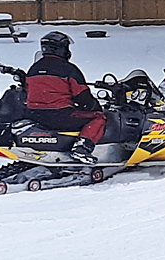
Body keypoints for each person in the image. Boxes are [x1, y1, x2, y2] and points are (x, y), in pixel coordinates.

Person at [26, 31, 106, 164]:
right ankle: (82, 148)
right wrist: (95, 107)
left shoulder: (33, 69)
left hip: (34, 114)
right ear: (62, 49)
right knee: (99, 117)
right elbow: (82, 96)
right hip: (60, 115)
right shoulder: (68, 69)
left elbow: (28, 91)